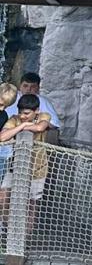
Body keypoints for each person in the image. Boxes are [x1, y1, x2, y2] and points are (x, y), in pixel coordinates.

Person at [0, 94, 52, 234]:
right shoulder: (15, 119)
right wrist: (23, 125)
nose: (22, 116)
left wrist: (19, 128)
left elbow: (40, 127)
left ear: (37, 111)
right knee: (3, 196)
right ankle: (7, 229)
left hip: (38, 168)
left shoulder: (44, 116)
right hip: (14, 166)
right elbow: (3, 136)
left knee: (32, 203)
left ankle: (26, 235)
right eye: (20, 112)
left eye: (27, 113)